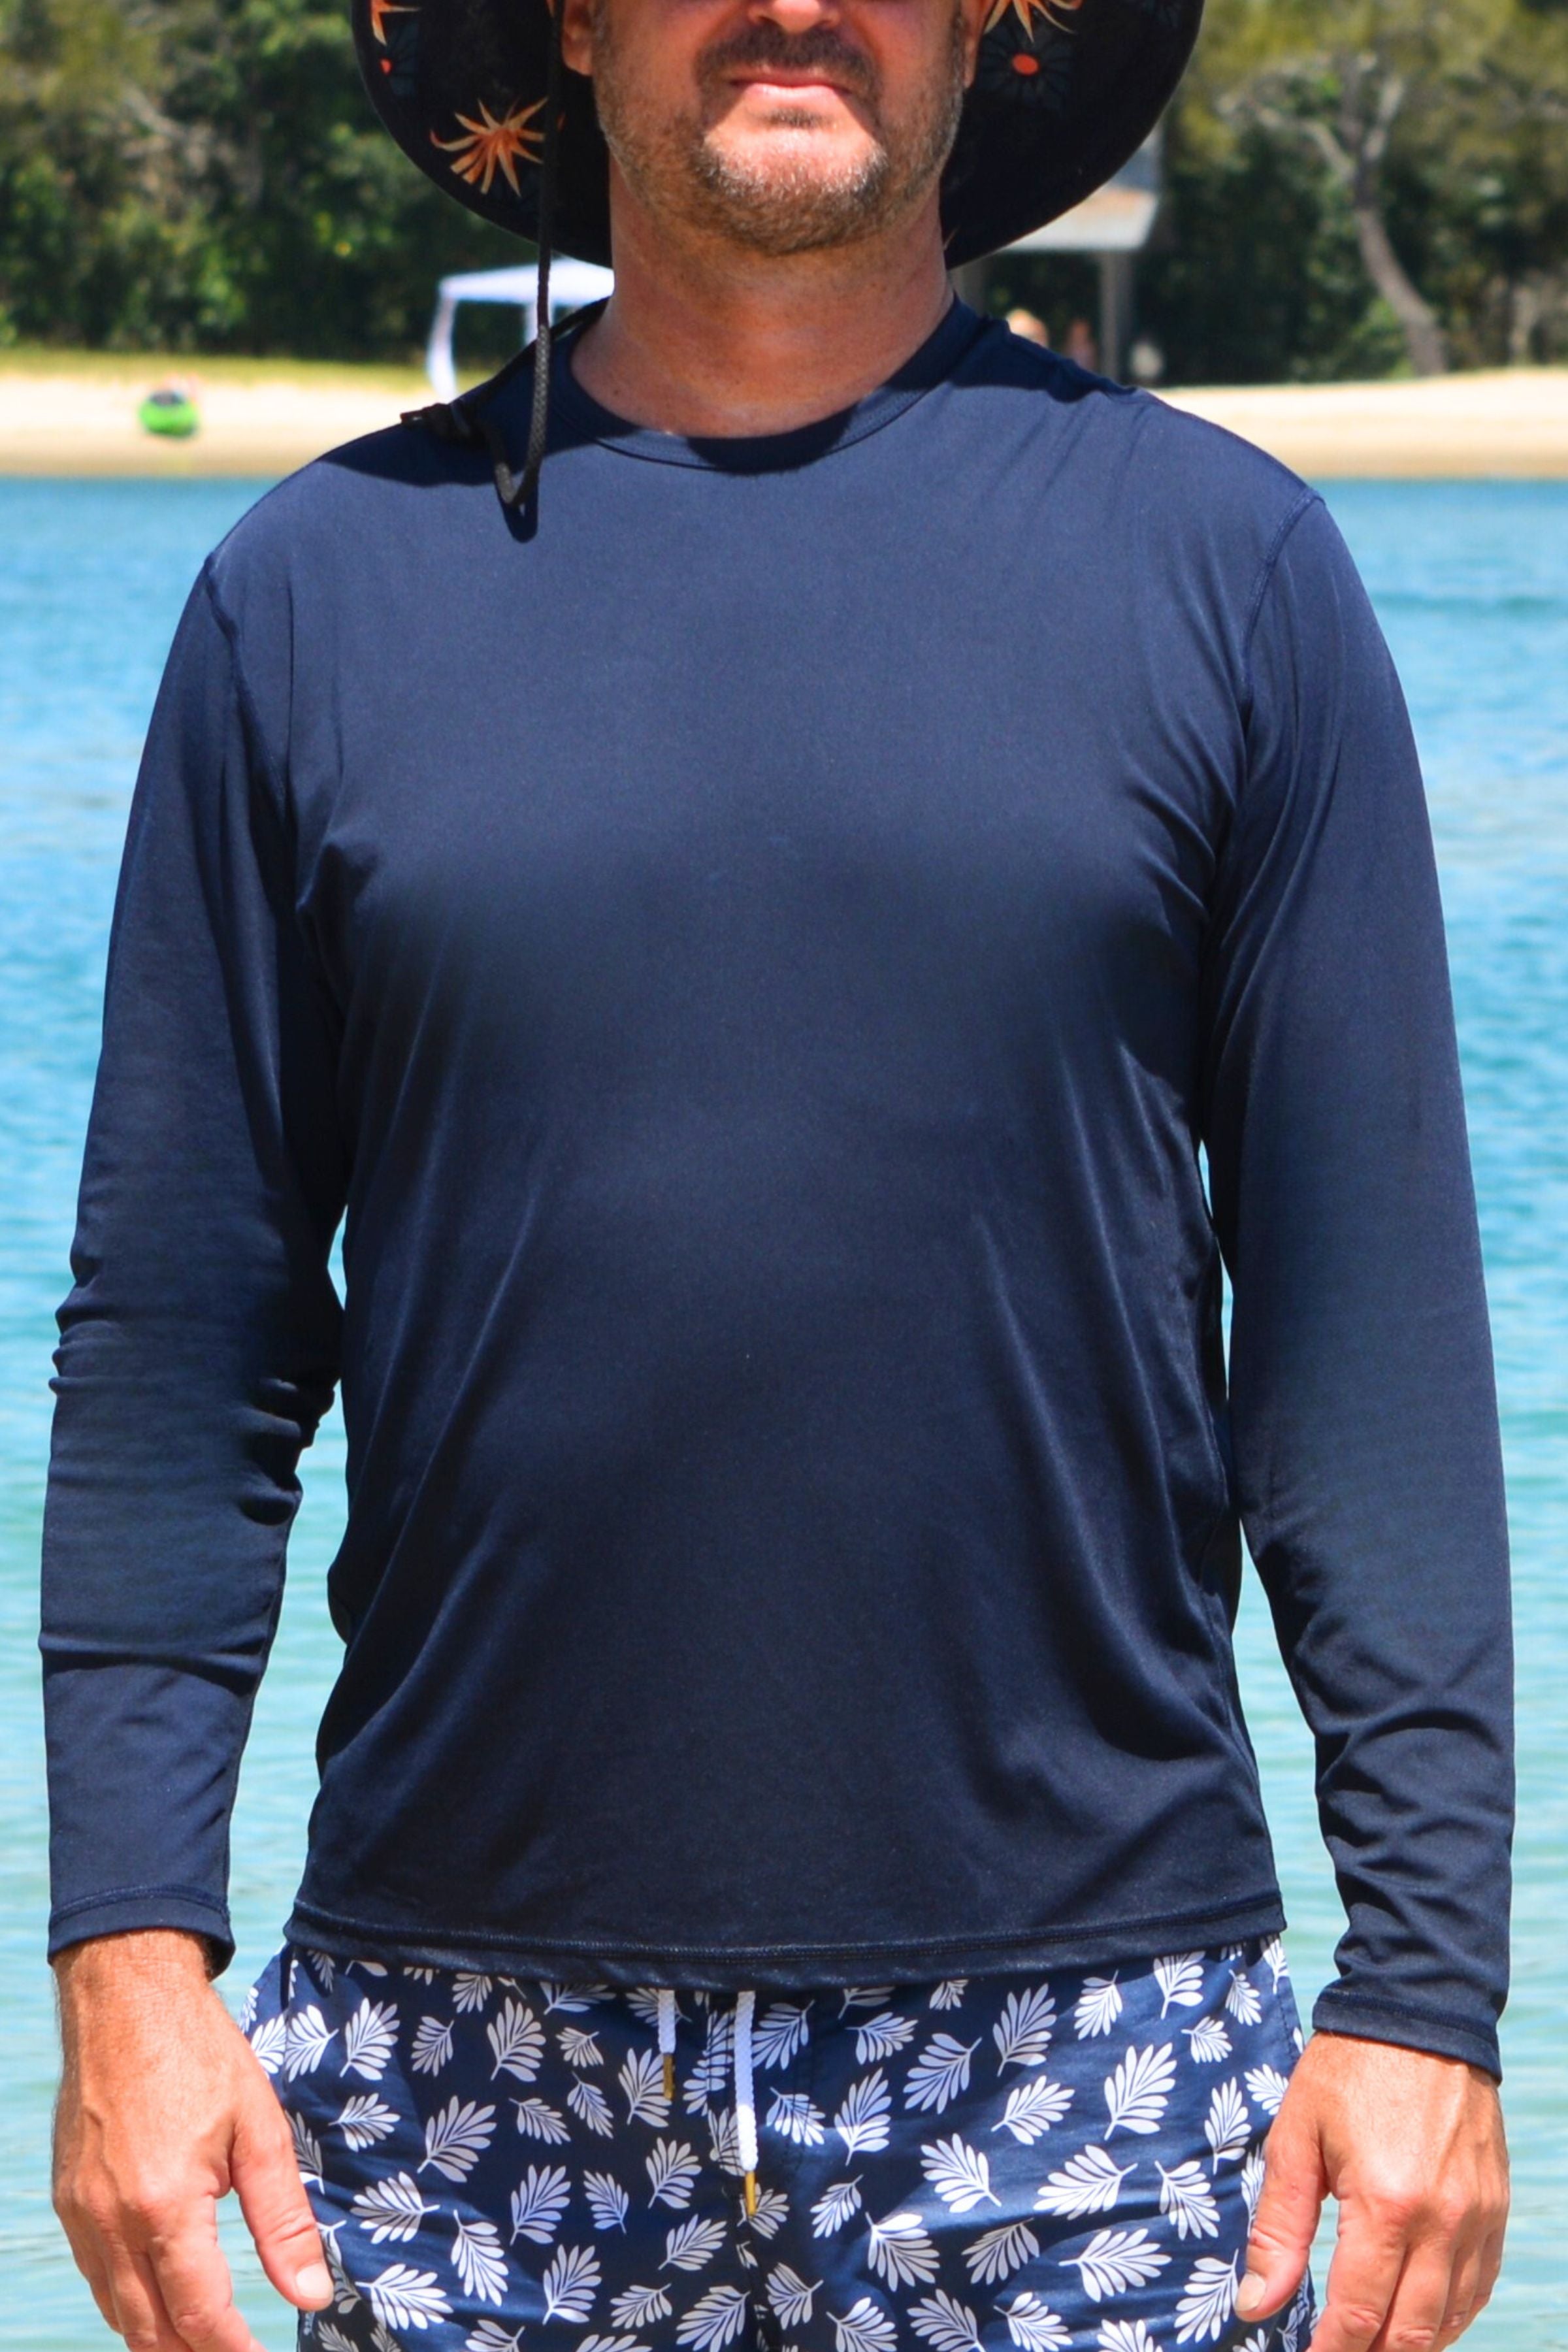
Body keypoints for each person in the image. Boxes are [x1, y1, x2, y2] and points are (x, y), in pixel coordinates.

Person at [41, 0, 1514, 2342]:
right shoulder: (316, 593)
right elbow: (177, 1363)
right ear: (577, 26)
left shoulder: (1230, 572)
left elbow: (1371, 1358)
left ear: (991, 27)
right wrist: (127, 1964)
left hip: (1098, 2055)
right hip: (447, 2066)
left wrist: (1428, 1994)